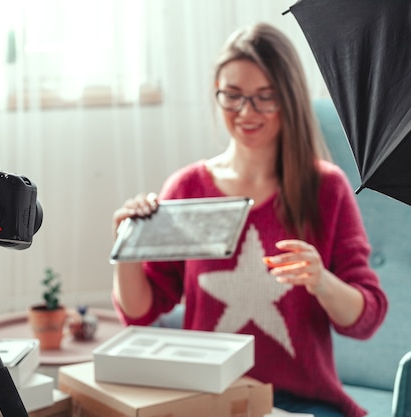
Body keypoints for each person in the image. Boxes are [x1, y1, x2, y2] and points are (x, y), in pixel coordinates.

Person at [111, 23, 387, 417]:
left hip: (302, 401)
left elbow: (365, 319)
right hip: (208, 395)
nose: (246, 113)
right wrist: (127, 246)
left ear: (288, 99)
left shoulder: (326, 188)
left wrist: (320, 279)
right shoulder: (188, 187)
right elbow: (140, 311)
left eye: (264, 99)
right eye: (233, 97)